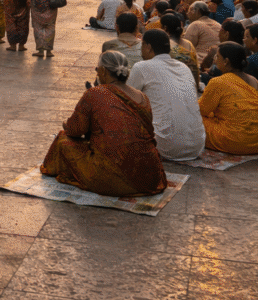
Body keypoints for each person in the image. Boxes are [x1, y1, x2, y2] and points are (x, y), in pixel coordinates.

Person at [40, 50, 166, 197]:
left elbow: (75, 130)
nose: (97, 74)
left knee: (62, 141)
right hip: (149, 177)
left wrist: (66, 125)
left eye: (97, 70)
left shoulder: (94, 93)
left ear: (104, 71)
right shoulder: (142, 97)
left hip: (111, 176)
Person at [127, 29, 206, 161]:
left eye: (142, 46)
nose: (141, 51)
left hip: (165, 146)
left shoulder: (141, 67)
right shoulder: (183, 67)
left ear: (148, 47)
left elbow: (126, 99)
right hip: (197, 146)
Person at [198, 42, 258, 155]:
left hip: (234, 141)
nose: (215, 59)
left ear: (226, 61)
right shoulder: (254, 81)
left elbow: (201, 110)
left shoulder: (218, 82)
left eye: (217, 56)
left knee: (191, 118)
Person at [160, 12, 199, 82]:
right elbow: (195, 68)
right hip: (190, 81)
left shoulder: (164, 45)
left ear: (165, 28)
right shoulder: (189, 44)